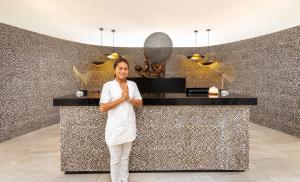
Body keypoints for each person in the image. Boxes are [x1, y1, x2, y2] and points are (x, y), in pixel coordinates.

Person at [99, 58, 143, 182]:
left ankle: (125, 179)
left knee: (125, 157)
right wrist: (122, 98)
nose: (123, 71)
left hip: (129, 126)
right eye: (120, 68)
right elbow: (103, 108)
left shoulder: (132, 85)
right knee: (115, 158)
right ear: (115, 70)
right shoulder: (108, 86)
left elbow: (139, 102)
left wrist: (128, 98)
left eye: (125, 69)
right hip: (114, 128)